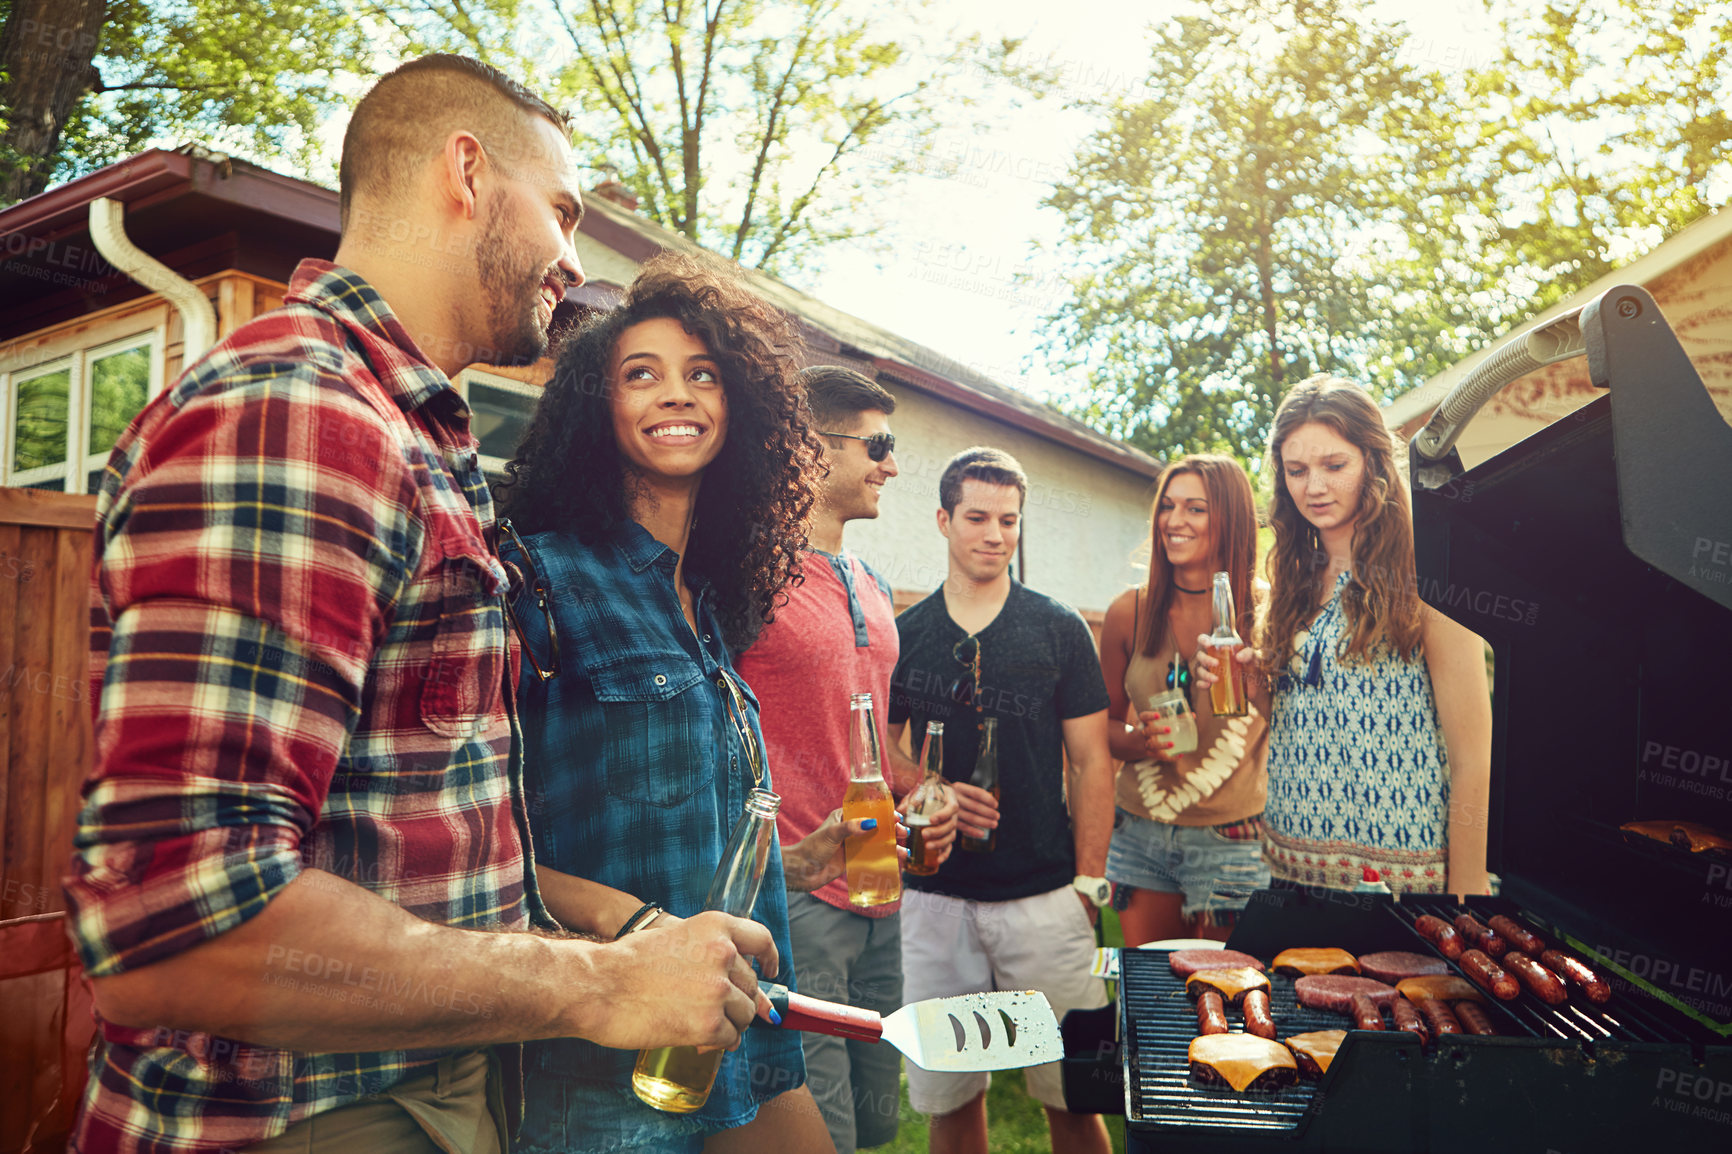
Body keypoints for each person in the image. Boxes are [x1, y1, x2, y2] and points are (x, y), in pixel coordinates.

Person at [64, 55, 780, 1154]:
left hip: (426, 1090)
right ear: (466, 170)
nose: (572, 261)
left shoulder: (406, 435)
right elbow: (183, 926)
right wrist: (594, 982)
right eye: (563, 209)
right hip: (300, 1116)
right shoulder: (300, 412)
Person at [494, 252, 838, 1153]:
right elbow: (481, 838)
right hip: (601, 1072)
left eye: (702, 376)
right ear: (594, 410)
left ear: (741, 409)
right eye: (639, 375)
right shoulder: (539, 577)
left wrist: (795, 867)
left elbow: (696, 830)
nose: (674, 395)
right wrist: (637, 926)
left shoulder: (711, 604)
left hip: (742, 1037)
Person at [734, 365, 958, 1154]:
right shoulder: (744, 575)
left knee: (871, 1123)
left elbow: (875, 736)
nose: (891, 465)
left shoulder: (872, 581)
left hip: (881, 893)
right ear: (808, 447)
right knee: (812, 1123)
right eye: (879, 444)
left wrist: (929, 790)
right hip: (796, 894)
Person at [887, 447, 1116, 1154]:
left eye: (1009, 520)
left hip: (1045, 900)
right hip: (935, 904)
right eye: (978, 517)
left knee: (1073, 1098)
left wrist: (1087, 884)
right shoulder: (907, 632)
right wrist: (931, 789)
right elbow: (881, 751)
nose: (995, 534)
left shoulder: (1058, 628)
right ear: (943, 520)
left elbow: (1091, 761)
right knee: (952, 1099)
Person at [1197, 375, 1492, 896]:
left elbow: (1474, 755)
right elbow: (1295, 716)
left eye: (1334, 466)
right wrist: (1250, 682)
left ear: (1373, 463)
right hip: (1292, 869)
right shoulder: (1291, 576)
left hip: (1401, 881)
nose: (1314, 487)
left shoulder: (1432, 570)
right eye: (1297, 470)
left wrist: (1466, 889)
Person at [1098, 454, 1271, 946]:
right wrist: (1140, 742)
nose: (1174, 522)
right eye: (1167, 507)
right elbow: (1100, 730)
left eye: (1195, 509)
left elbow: (1299, 731)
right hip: (1140, 836)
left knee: (1233, 998)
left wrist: (1257, 681)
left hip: (1235, 840)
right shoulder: (1128, 611)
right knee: (1149, 999)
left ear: (1230, 519)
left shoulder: (1272, 613)